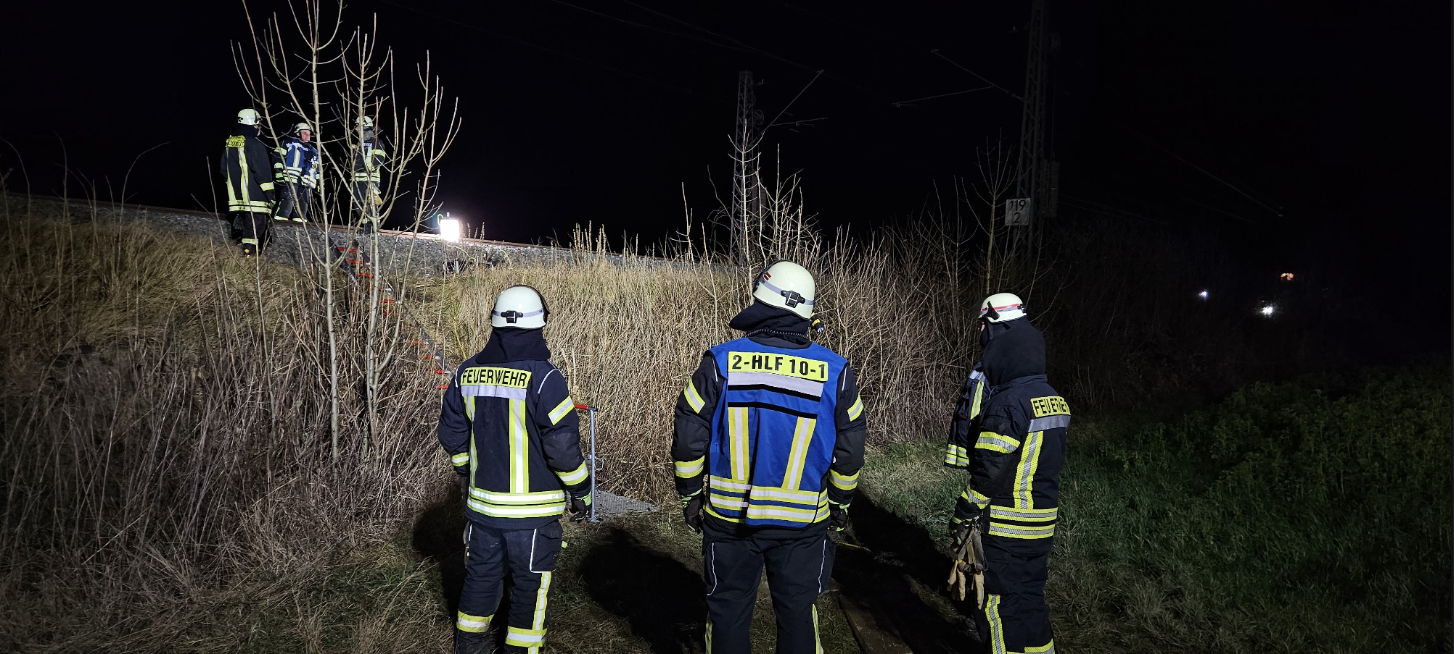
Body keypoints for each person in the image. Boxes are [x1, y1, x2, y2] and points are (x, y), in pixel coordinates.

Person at [671, 261, 867, 654]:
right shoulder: (836, 371)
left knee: (727, 613)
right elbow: (850, 450)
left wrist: (690, 495)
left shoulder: (720, 361)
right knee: (798, 615)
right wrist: (841, 503)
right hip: (803, 523)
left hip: (730, 520)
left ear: (761, 303)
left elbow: (689, 437)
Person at [437, 285, 592, 654]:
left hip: (482, 512)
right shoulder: (545, 377)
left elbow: (452, 433)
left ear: (495, 324)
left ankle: (469, 648)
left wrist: (466, 473)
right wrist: (582, 490)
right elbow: (562, 449)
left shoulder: (466, 372)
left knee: (480, 580)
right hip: (532, 517)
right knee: (529, 589)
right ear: (539, 326)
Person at [947, 292, 1068, 654]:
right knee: (1030, 600)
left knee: (997, 606)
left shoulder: (1007, 404)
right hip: (1041, 523)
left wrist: (964, 512)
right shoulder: (1052, 397)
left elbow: (990, 471)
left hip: (1006, 525)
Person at [222, 108, 276, 256]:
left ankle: (244, 253)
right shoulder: (254, 144)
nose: (259, 128)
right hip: (255, 197)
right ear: (253, 124)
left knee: (243, 228)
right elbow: (262, 171)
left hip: (236, 197)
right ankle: (248, 256)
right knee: (255, 228)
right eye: (258, 125)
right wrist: (270, 194)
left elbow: (223, 169)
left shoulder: (229, 143)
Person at [274, 122, 318, 223]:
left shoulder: (313, 150)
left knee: (303, 204)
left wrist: (319, 182)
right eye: (305, 133)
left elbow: (317, 167)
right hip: (291, 178)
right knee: (287, 200)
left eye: (309, 133)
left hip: (306, 181)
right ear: (297, 133)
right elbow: (277, 158)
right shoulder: (287, 143)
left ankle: (300, 223)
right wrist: (278, 172)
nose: (308, 135)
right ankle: (280, 221)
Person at [352, 116, 388, 233]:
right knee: (359, 205)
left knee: (371, 204)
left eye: (357, 126)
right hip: (358, 180)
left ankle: (373, 229)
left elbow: (379, 159)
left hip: (370, 180)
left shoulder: (376, 142)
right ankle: (367, 229)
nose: (355, 129)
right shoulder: (360, 144)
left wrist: (368, 170)